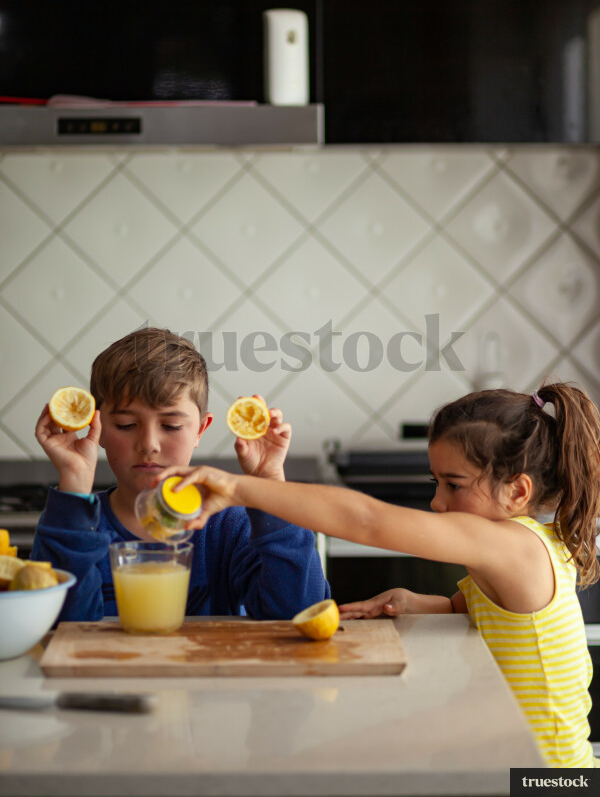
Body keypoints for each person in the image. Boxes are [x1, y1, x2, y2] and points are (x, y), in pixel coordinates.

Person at [159, 383, 600, 769]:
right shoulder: (525, 545)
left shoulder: (511, 547)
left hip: (548, 775)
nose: (437, 502)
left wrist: (238, 487)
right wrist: (416, 602)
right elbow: (479, 612)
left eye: (454, 484)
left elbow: (367, 521)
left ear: (517, 491)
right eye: (435, 482)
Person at [32, 327, 329, 622]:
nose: (149, 445)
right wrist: (73, 481)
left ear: (200, 429)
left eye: (171, 426)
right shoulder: (75, 525)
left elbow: (299, 612)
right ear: (97, 428)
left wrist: (271, 487)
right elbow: (57, 627)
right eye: (125, 424)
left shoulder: (229, 527)